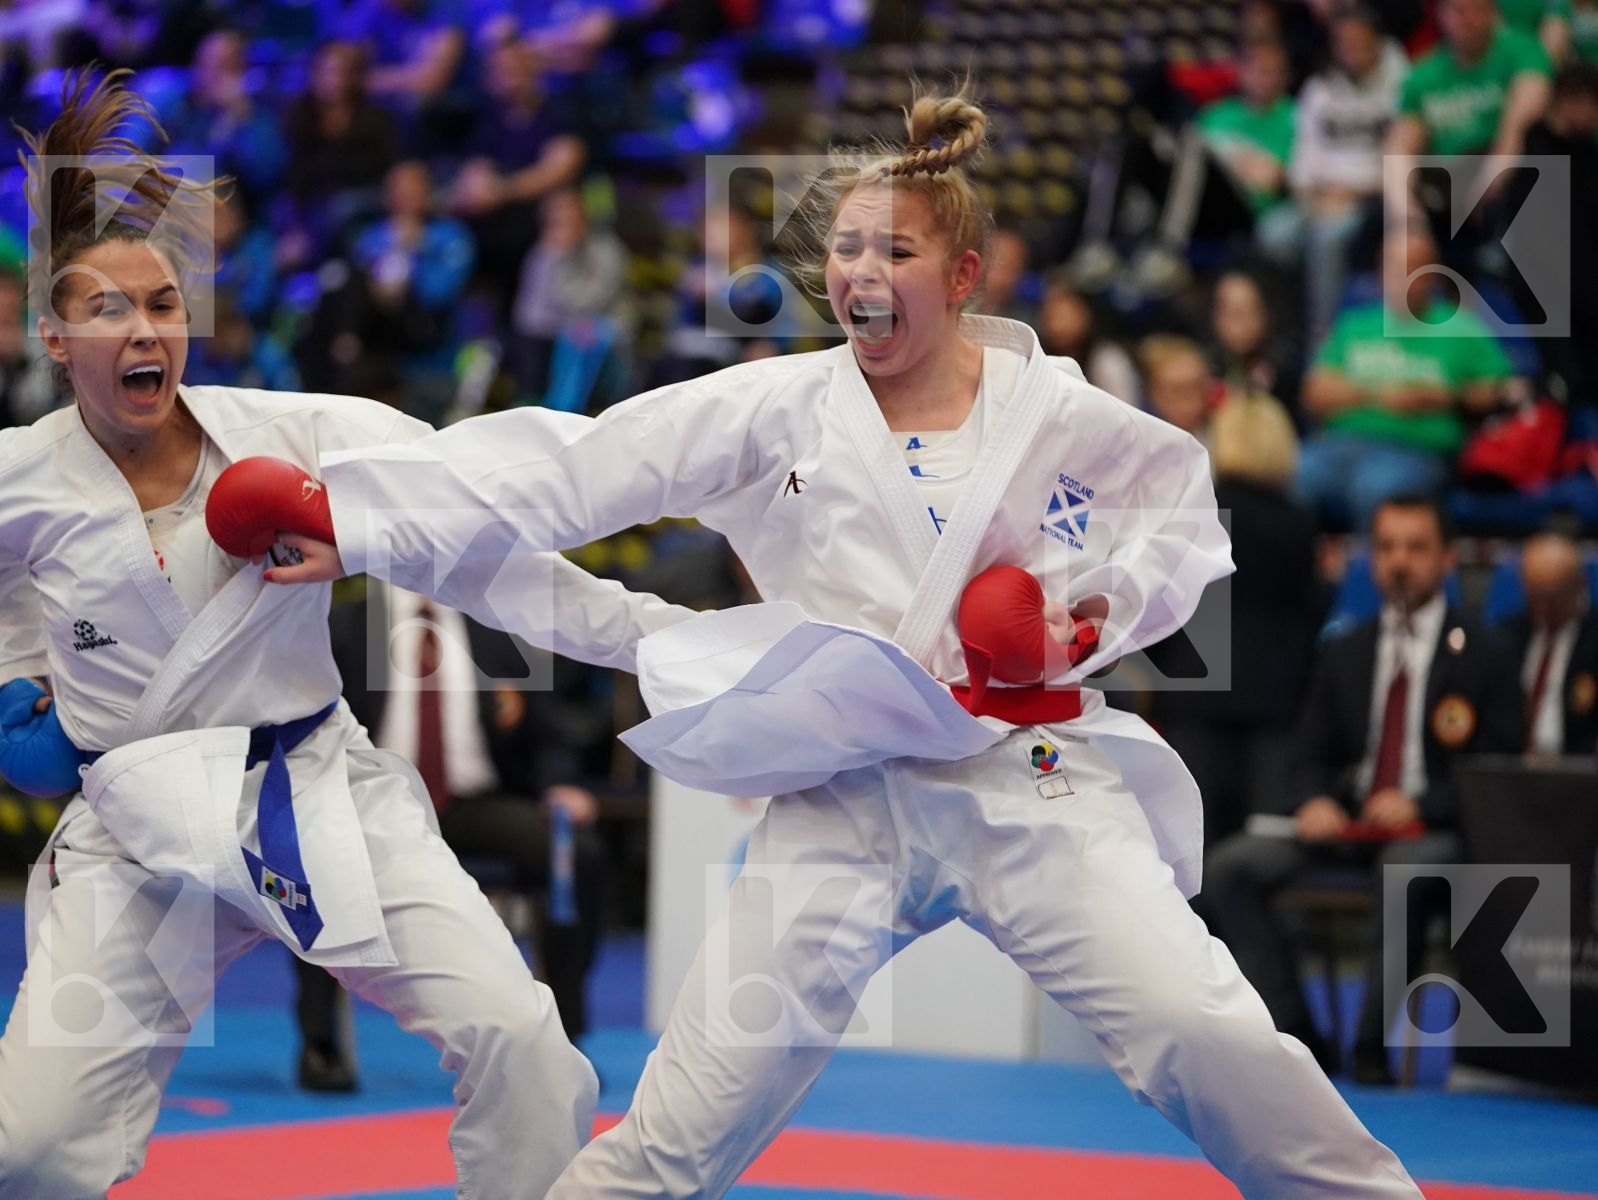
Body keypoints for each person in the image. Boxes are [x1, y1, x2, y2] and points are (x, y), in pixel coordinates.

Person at [244, 89, 1425, 1198]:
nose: (859, 273)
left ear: (962, 274)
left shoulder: (1054, 411)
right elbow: (573, 467)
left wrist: (1084, 620)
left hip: (1025, 782)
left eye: (894, 253)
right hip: (841, 800)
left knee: (1204, 1033)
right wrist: (355, 523)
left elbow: (1177, 517)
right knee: (675, 1131)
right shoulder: (776, 408)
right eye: (846, 250)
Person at [0, 71, 694, 1198]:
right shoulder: (18, 478)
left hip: (311, 787)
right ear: (54, 332)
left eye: (165, 304)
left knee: (521, 1044)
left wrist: (655, 636)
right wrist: (10, 684)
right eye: (110, 310)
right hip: (137, 834)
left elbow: (483, 507)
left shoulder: (294, 436)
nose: (145, 329)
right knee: (24, 1149)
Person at [1205, 495, 1526, 1083]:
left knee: (1404, 869)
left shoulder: (1485, 651)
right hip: (1347, 825)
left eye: (1416, 548)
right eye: (1386, 548)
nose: (1399, 562)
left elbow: (1498, 768)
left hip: (1435, 832)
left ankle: (1371, 1051)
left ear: (1447, 559)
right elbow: (1307, 752)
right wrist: (1316, 799)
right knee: (1228, 870)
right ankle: (1299, 1036)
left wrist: (1423, 804)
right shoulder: (1345, 647)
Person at [294, 581, 610, 1090]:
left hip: (475, 803)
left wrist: (560, 786)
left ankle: (563, 1038)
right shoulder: (343, 626)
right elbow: (303, 724)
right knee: (310, 854)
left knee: (572, 852)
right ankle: (320, 1043)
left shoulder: (496, 628)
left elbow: (549, 735)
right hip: (371, 802)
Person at [1296, 222, 1515, 531]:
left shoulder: (1459, 327)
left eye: (1413, 268)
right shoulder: (1354, 324)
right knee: (1292, 473)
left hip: (1417, 451)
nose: (1402, 277)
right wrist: (1377, 394)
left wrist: (1446, 397)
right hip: (1340, 445)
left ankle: (1365, 577)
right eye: (1394, 267)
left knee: (1374, 487)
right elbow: (1314, 392)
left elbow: (1501, 390)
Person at [1503, 531, 1598, 755]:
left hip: (1581, 773)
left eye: (1552, 598)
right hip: (1515, 769)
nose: (1542, 608)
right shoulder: (1506, 636)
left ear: (1578, 586)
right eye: (1535, 596)